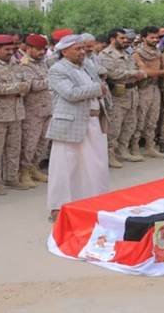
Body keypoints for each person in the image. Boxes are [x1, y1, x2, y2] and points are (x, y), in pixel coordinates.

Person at [46, 34, 108, 221]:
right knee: (64, 167)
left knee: (94, 165)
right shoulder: (58, 69)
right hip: (69, 123)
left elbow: (101, 80)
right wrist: (98, 88)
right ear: (64, 51)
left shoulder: (88, 65)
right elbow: (70, 93)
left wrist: (100, 87)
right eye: (78, 49)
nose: (83, 52)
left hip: (92, 121)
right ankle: (58, 207)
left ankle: (92, 202)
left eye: (83, 48)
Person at [0, 35, 31, 194]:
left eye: (12, 49)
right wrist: (19, 88)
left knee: (14, 148)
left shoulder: (17, 64)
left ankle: (11, 177)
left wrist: (16, 88)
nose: (11, 52)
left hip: (17, 112)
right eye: (7, 49)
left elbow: (28, 84)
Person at [99, 28, 146, 167]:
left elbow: (137, 67)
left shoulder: (127, 53)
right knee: (114, 127)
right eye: (122, 38)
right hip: (118, 94)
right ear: (113, 39)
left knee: (130, 124)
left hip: (132, 92)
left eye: (126, 38)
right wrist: (134, 73)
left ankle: (123, 150)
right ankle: (109, 154)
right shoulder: (105, 55)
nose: (126, 41)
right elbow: (112, 73)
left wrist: (135, 73)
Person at [18, 34, 52, 185]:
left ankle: (34, 168)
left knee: (42, 142)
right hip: (33, 111)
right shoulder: (24, 65)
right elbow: (33, 85)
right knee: (29, 143)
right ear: (28, 48)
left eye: (44, 49)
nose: (42, 52)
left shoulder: (43, 63)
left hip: (47, 108)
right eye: (38, 50)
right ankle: (23, 172)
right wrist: (53, 80)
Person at [132, 26, 164, 158]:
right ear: (144, 38)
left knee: (153, 119)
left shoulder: (159, 53)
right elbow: (145, 72)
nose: (155, 40)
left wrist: (161, 72)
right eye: (151, 37)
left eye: (156, 37)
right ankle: (135, 147)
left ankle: (150, 146)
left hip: (155, 88)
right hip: (143, 89)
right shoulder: (137, 53)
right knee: (140, 119)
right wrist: (162, 72)